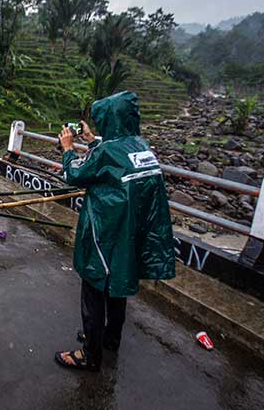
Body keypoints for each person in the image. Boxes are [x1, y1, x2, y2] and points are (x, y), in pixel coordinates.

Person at [54, 91, 176, 372]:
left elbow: (75, 175)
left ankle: (89, 355)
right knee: (116, 288)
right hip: (130, 236)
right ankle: (110, 339)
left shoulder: (105, 152)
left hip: (105, 235)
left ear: (110, 119)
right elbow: (115, 157)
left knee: (94, 289)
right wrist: (92, 140)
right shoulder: (141, 147)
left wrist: (69, 149)